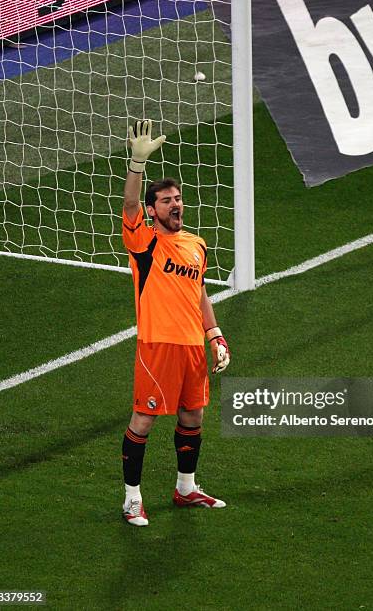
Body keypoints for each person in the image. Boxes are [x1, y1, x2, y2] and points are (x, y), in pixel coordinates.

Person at [121, 119, 230, 526]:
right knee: (144, 419)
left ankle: (186, 488)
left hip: (191, 347)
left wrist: (214, 334)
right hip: (157, 345)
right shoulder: (145, 242)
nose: (175, 204)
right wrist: (136, 164)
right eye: (166, 200)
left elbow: (198, 291)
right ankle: (132, 499)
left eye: (178, 198)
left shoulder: (196, 244)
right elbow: (129, 205)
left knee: (193, 417)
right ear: (153, 210)